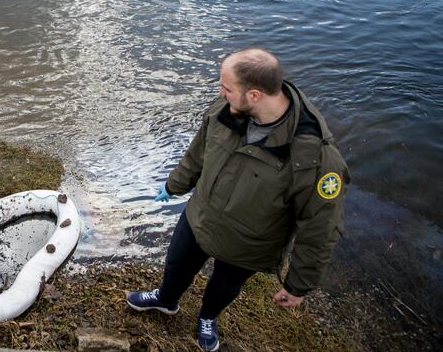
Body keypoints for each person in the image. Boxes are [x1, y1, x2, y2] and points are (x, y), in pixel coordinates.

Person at [127, 48, 348, 351]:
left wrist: (299, 284)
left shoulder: (316, 158)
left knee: (224, 287)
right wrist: (175, 185)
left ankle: (207, 317)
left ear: (255, 95)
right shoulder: (227, 108)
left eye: (227, 87)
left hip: (248, 243)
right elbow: (198, 152)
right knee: (177, 265)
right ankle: (166, 299)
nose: (220, 92)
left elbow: (321, 228)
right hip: (200, 217)